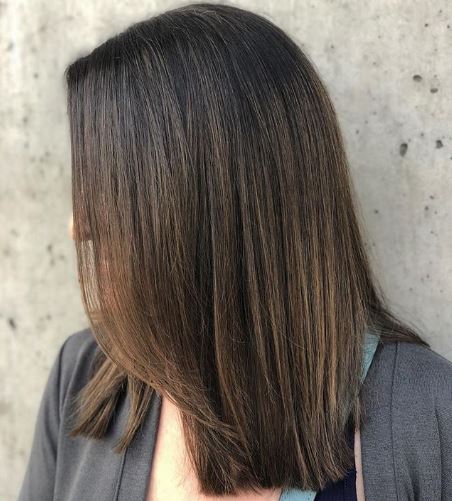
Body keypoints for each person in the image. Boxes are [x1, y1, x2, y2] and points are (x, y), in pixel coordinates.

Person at [18, 3, 452, 501]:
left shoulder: (428, 417)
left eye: (110, 190)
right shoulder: (82, 377)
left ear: (201, 212)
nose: (78, 227)